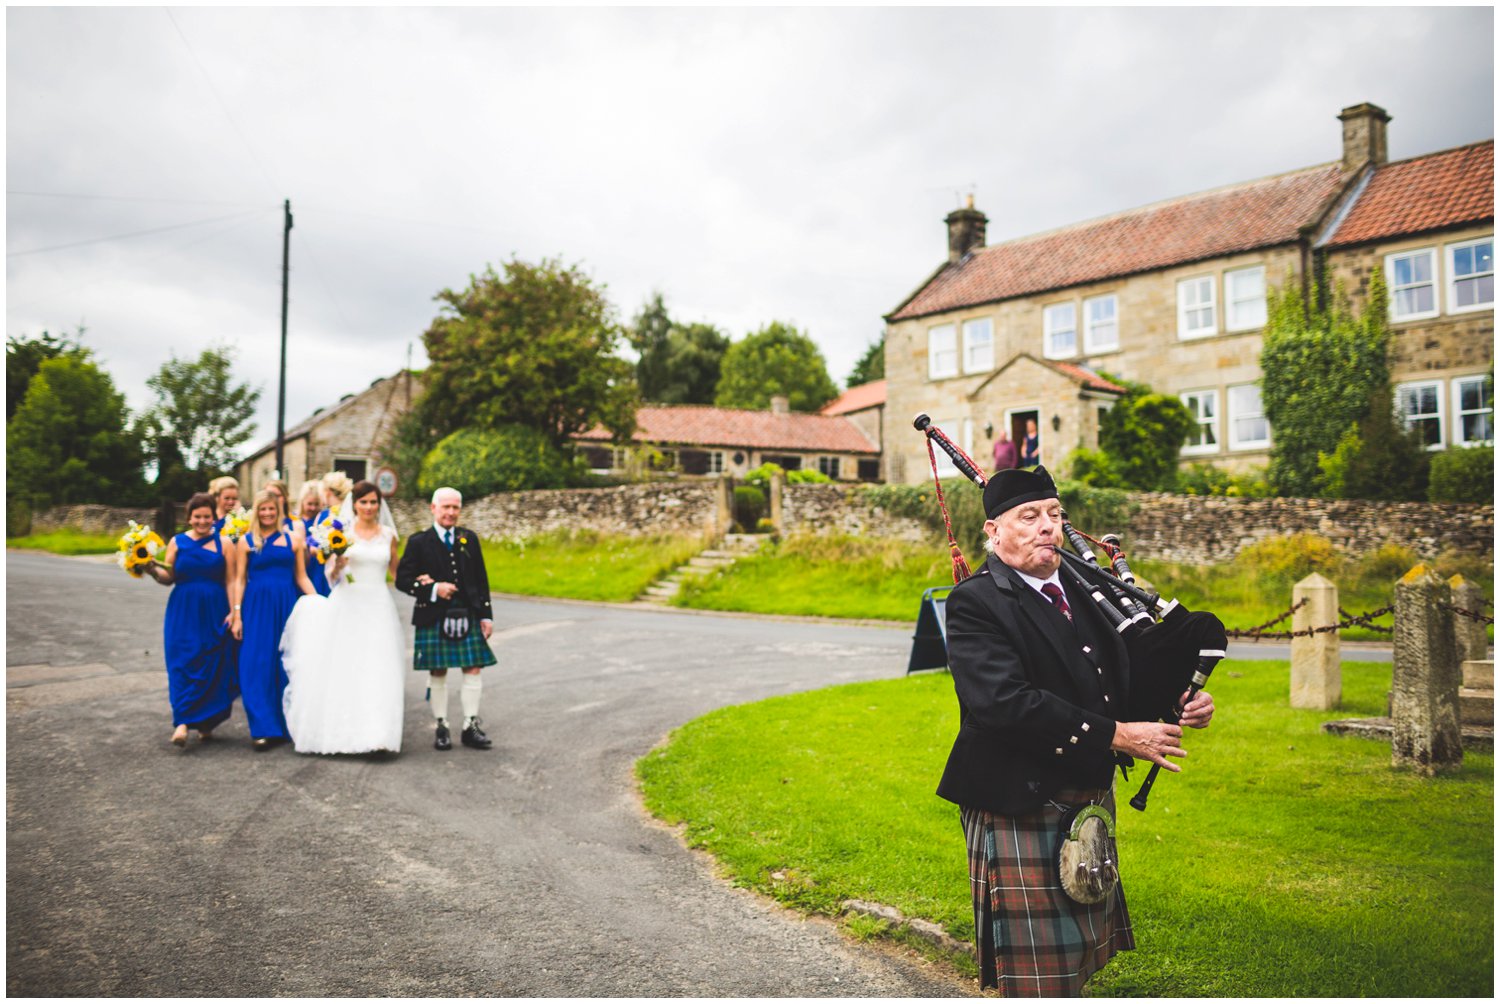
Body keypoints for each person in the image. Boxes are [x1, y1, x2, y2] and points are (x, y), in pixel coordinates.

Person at [937, 466, 1215, 996]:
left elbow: (1124, 673)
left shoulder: (1085, 591)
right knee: (1037, 973)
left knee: (1078, 950)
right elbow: (1004, 703)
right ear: (993, 533)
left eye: (1055, 515)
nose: (1048, 527)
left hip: (1084, 789)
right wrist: (1119, 735)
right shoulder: (976, 602)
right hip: (1015, 797)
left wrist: (1180, 700)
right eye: (1030, 517)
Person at [281, 480, 407, 754]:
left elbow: (397, 574)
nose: (369, 507)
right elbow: (330, 577)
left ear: (379, 504)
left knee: (378, 667)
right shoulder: (341, 533)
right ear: (355, 504)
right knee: (346, 666)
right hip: (348, 603)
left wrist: (422, 583)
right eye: (364, 502)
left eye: (374, 502)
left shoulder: (388, 535)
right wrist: (337, 565)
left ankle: (378, 734)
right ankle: (342, 732)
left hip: (377, 605)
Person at [395, 487, 496, 751]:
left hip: (469, 612)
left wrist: (486, 615)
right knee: (437, 670)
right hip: (434, 614)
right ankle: (441, 725)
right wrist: (432, 588)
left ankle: (470, 725)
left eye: (455, 508)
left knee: (473, 667)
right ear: (433, 508)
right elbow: (402, 580)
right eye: (446, 507)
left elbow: (481, 579)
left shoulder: (469, 539)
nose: (451, 513)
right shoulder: (419, 542)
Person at [143, 492, 240, 748]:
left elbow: (231, 580)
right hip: (183, 610)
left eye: (207, 516)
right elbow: (169, 576)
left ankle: (206, 722)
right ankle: (183, 722)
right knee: (183, 661)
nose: (202, 521)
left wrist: (235, 611)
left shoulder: (225, 544)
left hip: (215, 608)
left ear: (213, 517)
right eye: (197, 517)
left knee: (212, 662)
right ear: (189, 518)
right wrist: (152, 569)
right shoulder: (177, 542)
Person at [234, 488, 316, 750]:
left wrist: (317, 602)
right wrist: (236, 613)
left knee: (285, 664)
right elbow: (238, 579)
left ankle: (286, 725)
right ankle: (262, 728)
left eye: (272, 509)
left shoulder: (293, 540)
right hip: (256, 607)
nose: (268, 513)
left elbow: (301, 576)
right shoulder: (246, 542)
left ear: (279, 511)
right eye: (263, 509)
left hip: (286, 604)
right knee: (255, 663)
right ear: (256, 512)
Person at [295, 480, 330, 596]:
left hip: (318, 567)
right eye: (309, 504)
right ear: (302, 502)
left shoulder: (323, 520)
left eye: (316, 504)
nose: (313, 508)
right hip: (301, 565)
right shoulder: (295, 521)